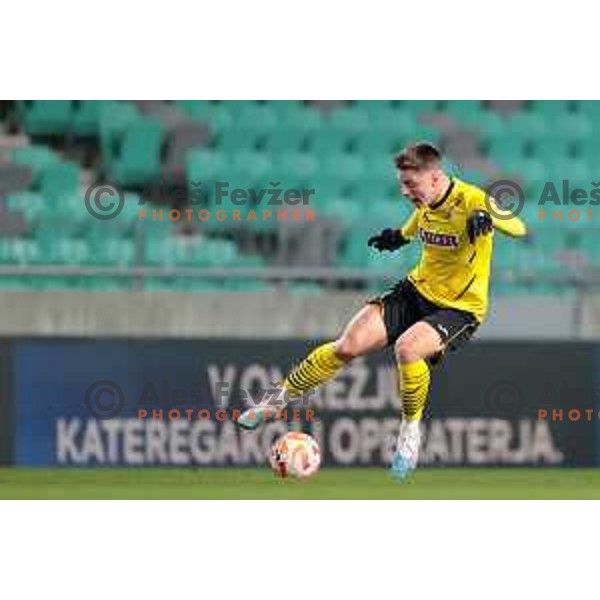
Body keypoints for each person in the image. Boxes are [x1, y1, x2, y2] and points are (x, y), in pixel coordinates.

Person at [236, 141, 528, 480]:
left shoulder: (473, 199)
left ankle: (409, 432)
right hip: (416, 291)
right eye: (402, 184)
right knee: (348, 344)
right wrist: (399, 237)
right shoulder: (428, 203)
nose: (405, 191)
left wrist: (486, 216)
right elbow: (418, 223)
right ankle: (275, 401)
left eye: (411, 184)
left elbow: (519, 227)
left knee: (407, 348)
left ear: (435, 177)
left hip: (459, 309)